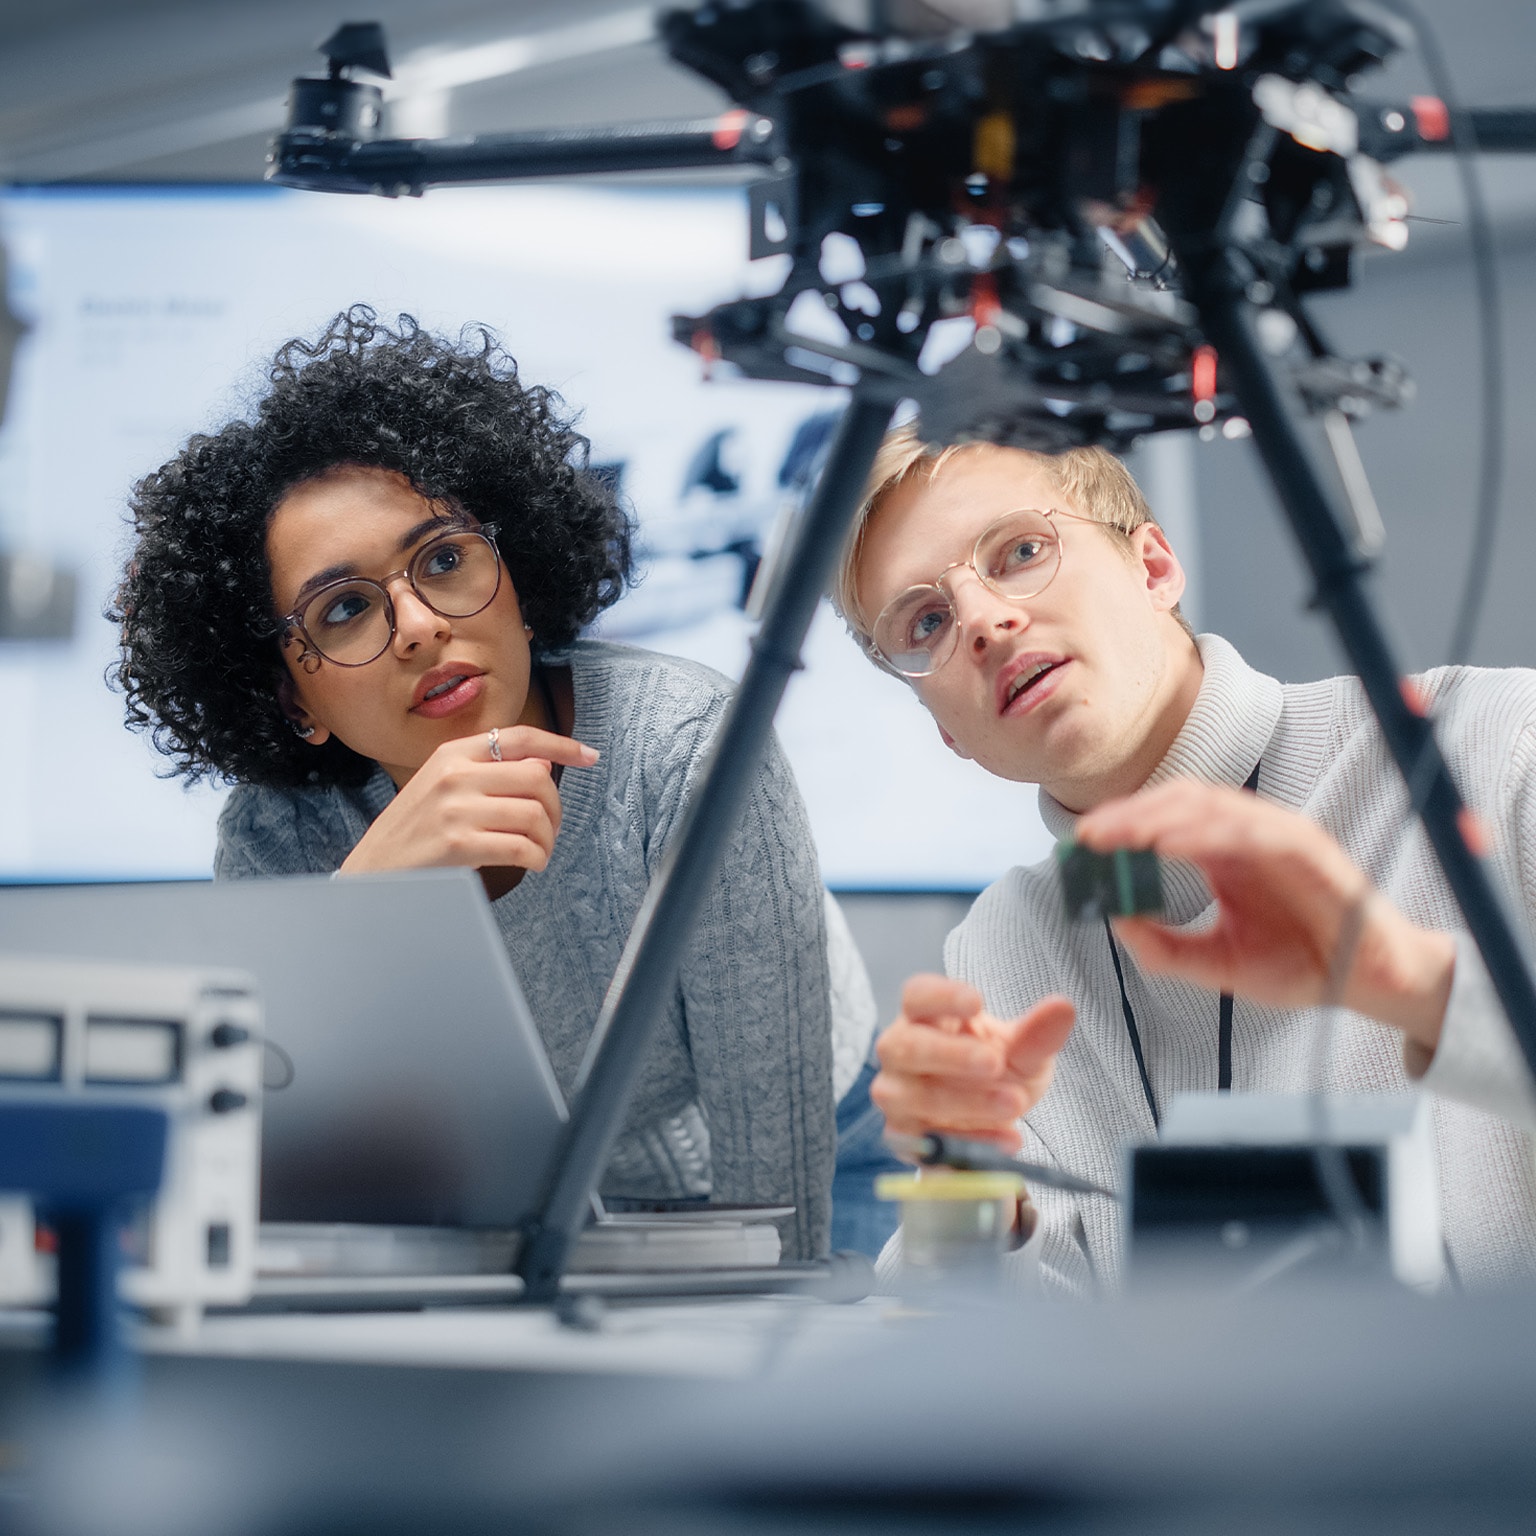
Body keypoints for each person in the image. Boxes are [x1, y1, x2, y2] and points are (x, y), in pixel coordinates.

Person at [111, 307, 863, 1260]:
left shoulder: (687, 744)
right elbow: (273, 1181)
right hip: (518, 1208)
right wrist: (358, 911)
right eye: (344, 608)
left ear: (516, 571)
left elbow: (781, 1227)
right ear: (290, 695)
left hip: (823, 1155)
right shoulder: (279, 838)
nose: (422, 625)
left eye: (445, 559)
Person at [835, 423, 1536, 1291]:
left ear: (1154, 567)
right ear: (944, 729)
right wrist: (962, 1189)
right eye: (927, 621)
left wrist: (1416, 984)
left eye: (1018, 551)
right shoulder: (1006, 945)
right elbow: (982, 1375)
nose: (983, 619)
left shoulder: (1493, 743)